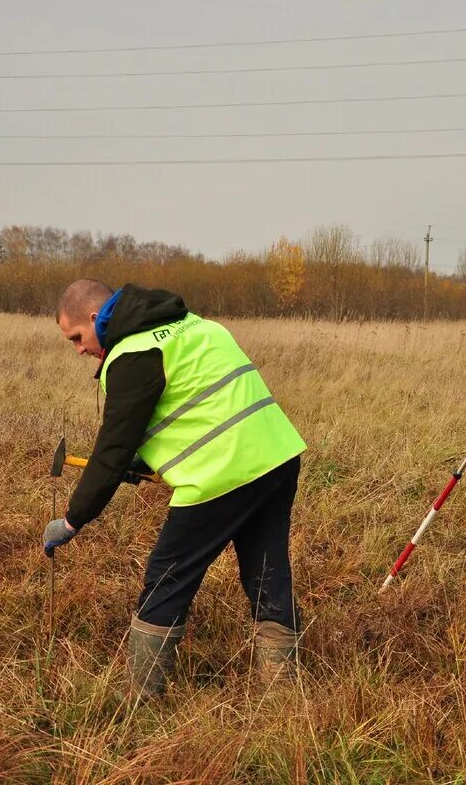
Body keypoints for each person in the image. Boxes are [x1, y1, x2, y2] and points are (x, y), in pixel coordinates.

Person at [43, 279, 307, 698]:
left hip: (220, 476)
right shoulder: (197, 326)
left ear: (96, 318)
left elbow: (111, 451)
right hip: (277, 458)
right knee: (267, 572)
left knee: (167, 578)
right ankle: (283, 696)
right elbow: (199, 404)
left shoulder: (130, 355)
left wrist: (73, 519)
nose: (78, 349)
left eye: (77, 337)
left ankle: (140, 699)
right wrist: (143, 461)